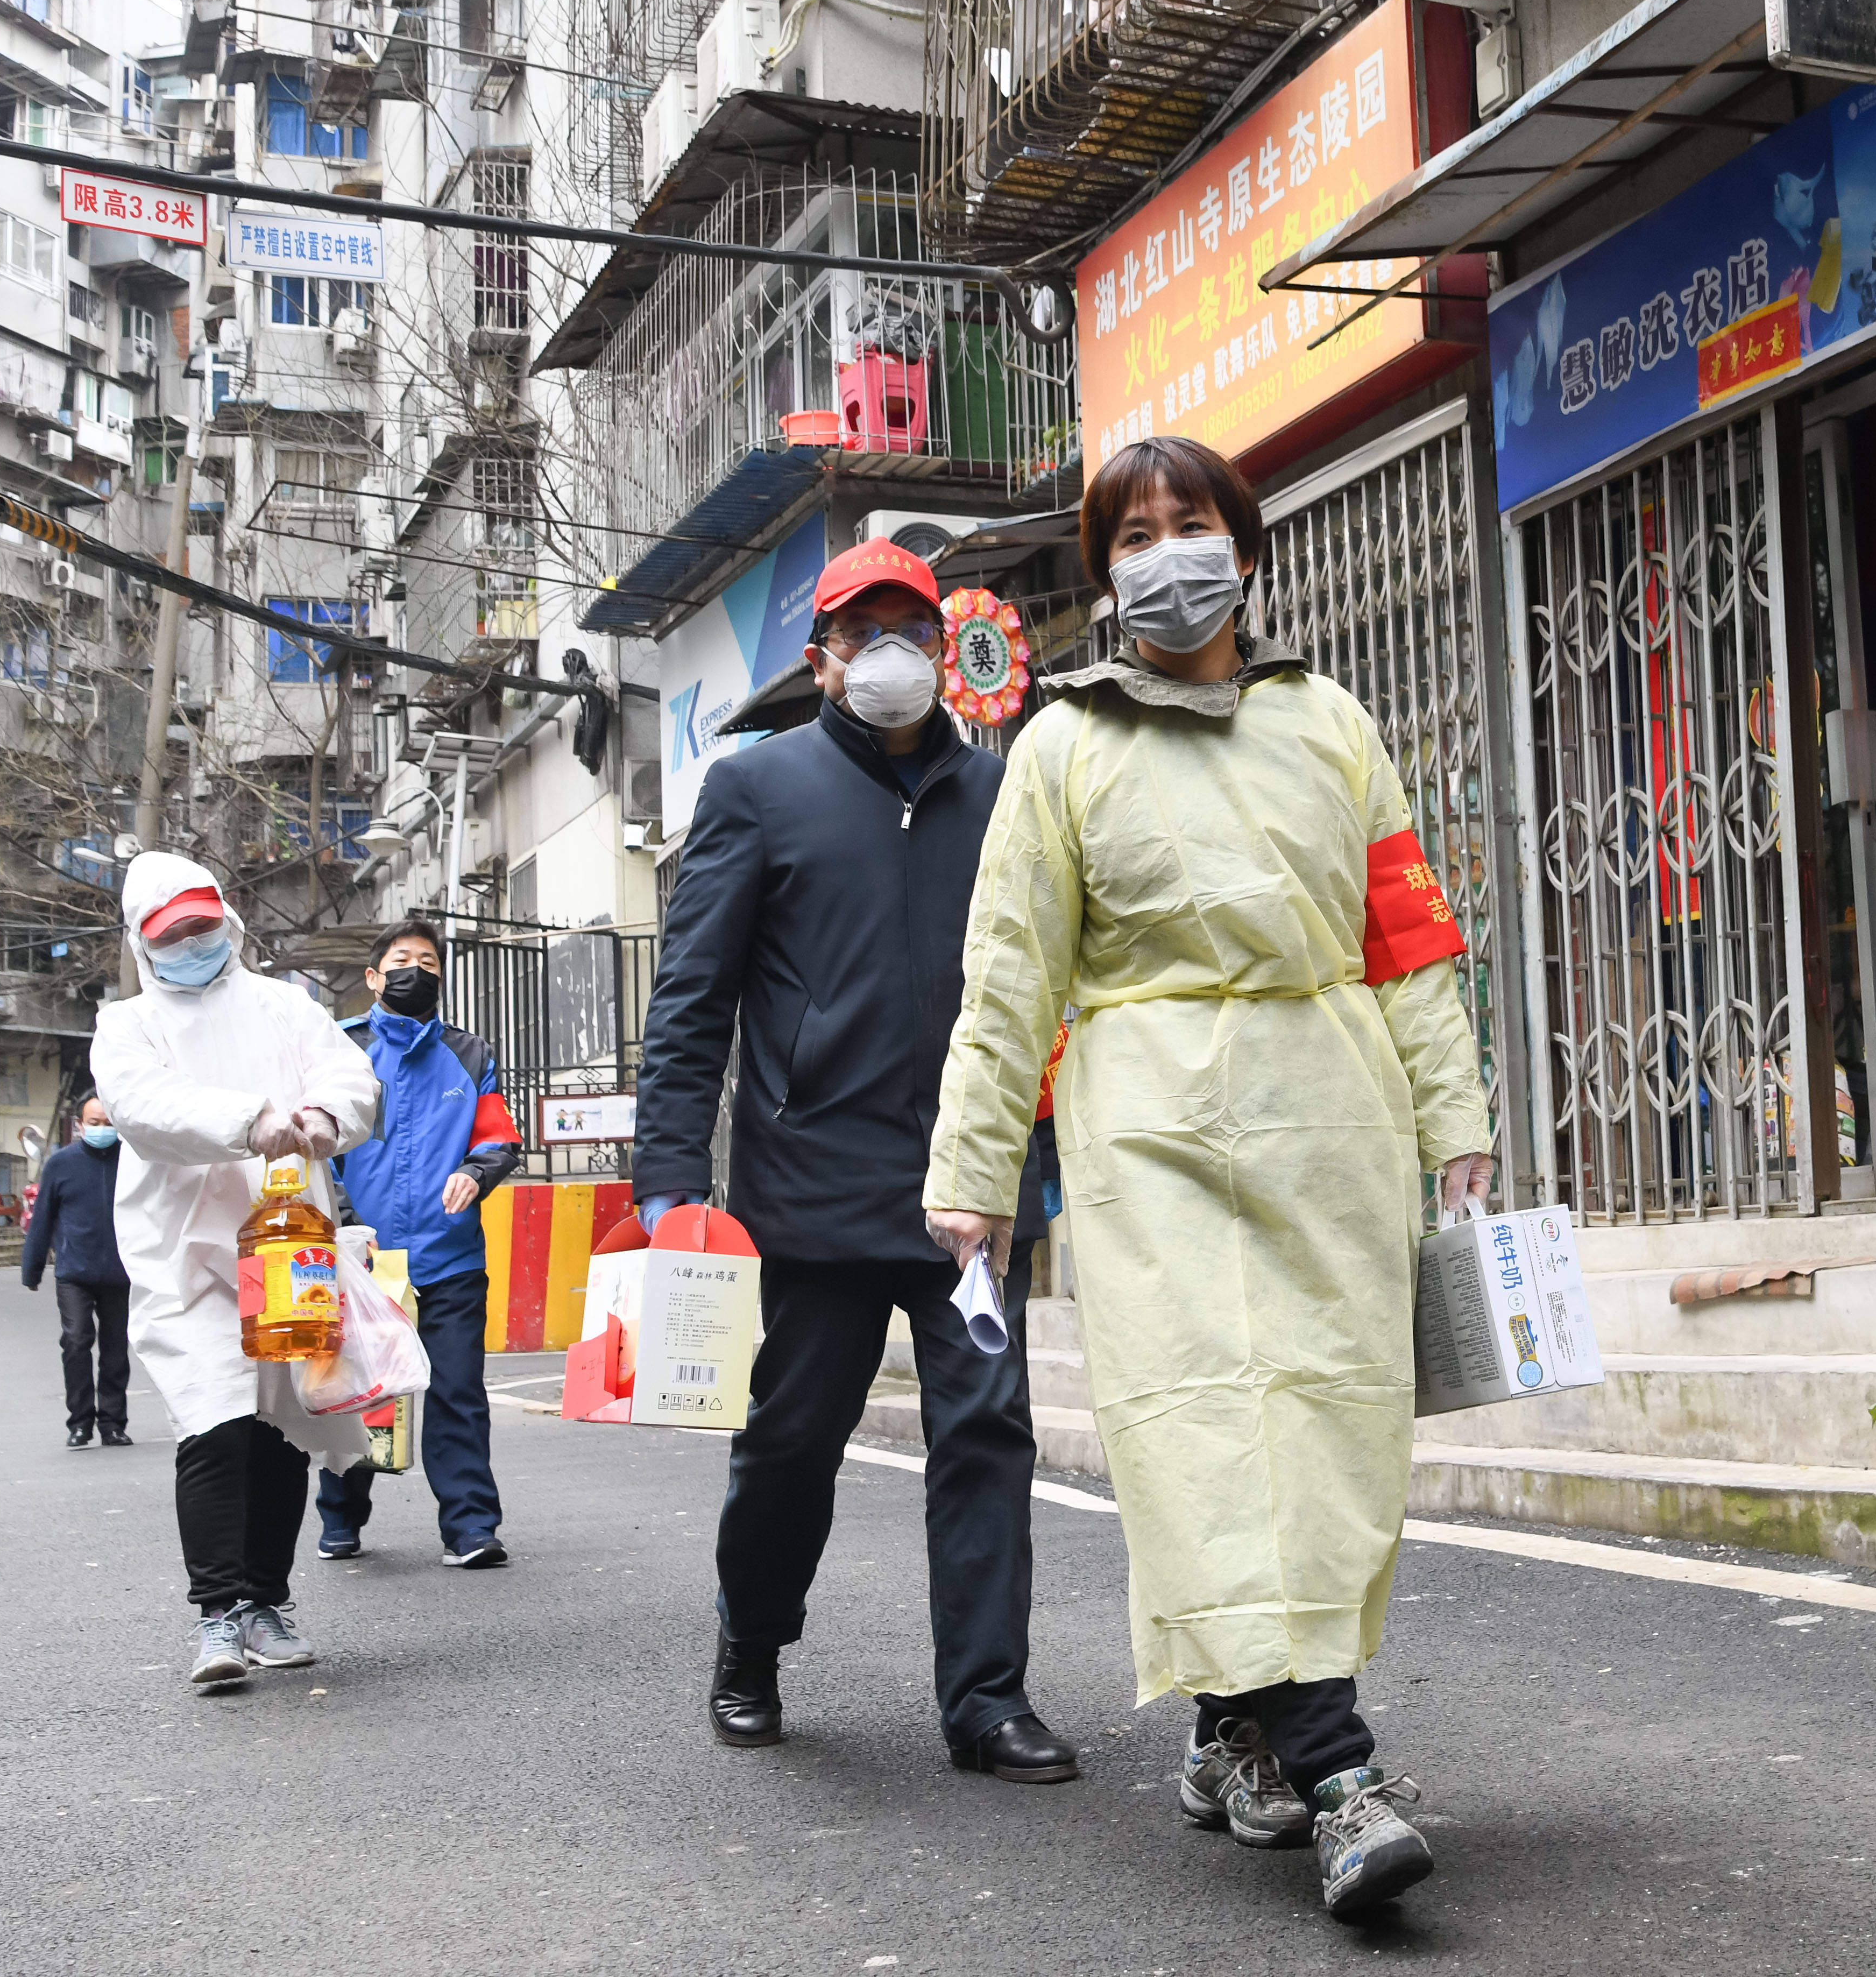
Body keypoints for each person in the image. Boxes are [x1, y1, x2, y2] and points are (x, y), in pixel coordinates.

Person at [922, 435, 1495, 1918]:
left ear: (1244, 550)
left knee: (1324, 1438)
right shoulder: (1055, 748)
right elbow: (1009, 978)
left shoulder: (1330, 725)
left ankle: (1227, 1727)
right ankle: (1339, 1773)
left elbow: (1407, 945)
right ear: (1101, 573)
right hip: (1148, 1132)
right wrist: (974, 1173)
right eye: (1132, 533)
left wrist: (1457, 1126)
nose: (1163, 553)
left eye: (1190, 525)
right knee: (1208, 1436)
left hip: (1331, 1117)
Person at [635, 538, 1074, 1785]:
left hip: (974, 1188)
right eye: (860, 629)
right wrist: (668, 1176)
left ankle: (985, 1697)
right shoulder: (756, 789)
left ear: (947, 651)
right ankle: (752, 1638)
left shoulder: (1000, 795)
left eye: (911, 631)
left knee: (986, 1433)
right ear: (819, 657)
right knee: (790, 1436)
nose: (889, 652)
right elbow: (691, 998)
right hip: (810, 1189)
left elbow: (1045, 984)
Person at [93, 853, 384, 1692]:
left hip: (288, 1250)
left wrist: (327, 1116)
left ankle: (266, 1601)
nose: (191, 943)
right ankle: (216, 1612)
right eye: (172, 934)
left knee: (278, 1428)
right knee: (215, 1422)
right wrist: (247, 1119)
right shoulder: (127, 1025)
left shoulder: (284, 1006)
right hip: (187, 1258)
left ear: (228, 920)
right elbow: (145, 1106)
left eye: (201, 926)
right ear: (145, 945)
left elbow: (349, 1077)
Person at [320, 918, 523, 1566]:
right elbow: (320, 1152)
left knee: (457, 1392)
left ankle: (470, 1529)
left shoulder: (470, 1054)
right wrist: (348, 1223)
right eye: (403, 960)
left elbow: (496, 1135)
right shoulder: (342, 1051)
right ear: (375, 978)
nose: (417, 970)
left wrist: (475, 1171)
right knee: (356, 1391)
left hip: (450, 1256)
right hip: (359, 1258)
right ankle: (341, 1518)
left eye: (429, 963)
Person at [22, 1096, 132, 1450]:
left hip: (121, 1272)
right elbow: (43, 1218)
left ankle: (113, 1423)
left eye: (107, 1122)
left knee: (115, 1349)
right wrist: (32, 1268)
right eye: (94, 1123)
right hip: (74, 1272)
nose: (101, 1129)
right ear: (80, 1125)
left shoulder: (132, 1163)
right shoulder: (61, 1165)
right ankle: (80, 1422)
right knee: (76, 1342)